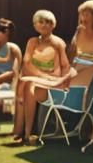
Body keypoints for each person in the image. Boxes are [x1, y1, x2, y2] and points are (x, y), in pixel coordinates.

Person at [9, 9, 70, 145]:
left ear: (53, 25)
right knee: (24, 82)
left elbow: (65, 65)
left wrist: (62, 82)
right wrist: (41, 76)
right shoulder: (32, 42)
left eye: (48, 22)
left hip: (53, 82)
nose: (44, 25)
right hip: (37, 79)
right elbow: (26, 63)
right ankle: (23, 132)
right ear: (35, 25)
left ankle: (26, 133)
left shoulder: (58, 43)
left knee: (27, 85)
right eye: (41, 22)